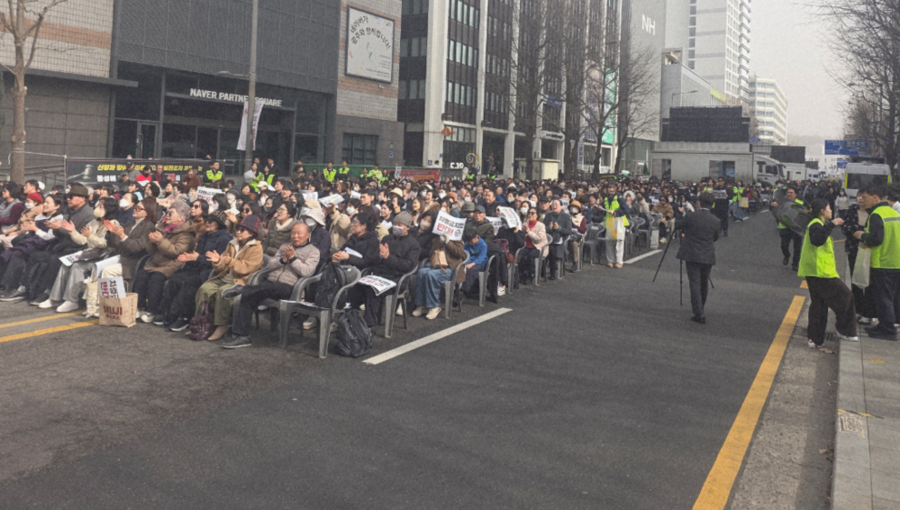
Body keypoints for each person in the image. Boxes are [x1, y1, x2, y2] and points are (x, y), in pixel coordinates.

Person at [222, 223, 320, 349]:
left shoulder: (313, 251)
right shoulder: (285, 246)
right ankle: (242, 336)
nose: (295, 236)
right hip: (270, 284)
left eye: (299, 233)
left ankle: (242, 289)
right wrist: (283, 260)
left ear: (308, 235)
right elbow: (271, 265)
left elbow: (306, 271)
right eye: (293, 233)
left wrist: (292, 258)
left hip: (290, 287)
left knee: (260, 289)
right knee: (249, 296)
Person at [193, 214, 265, 341]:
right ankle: (200, 322)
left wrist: (230, 262)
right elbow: (221, 266)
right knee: (204, 289)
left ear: (251, 233)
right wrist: (217, 262)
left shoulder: (256, 248)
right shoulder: (232, 243)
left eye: (242, 230)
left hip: (240, 281)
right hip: (224, 277)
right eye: (237, 229)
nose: (238, 232)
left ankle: (222, 326)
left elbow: (247, 268)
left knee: (223, 292)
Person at [347, 211, 420, 334]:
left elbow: (407, 266)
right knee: (355, 287)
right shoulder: (387, 239)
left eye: (400, 225)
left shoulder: (413, 245)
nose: (396, 227)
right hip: (379, 274)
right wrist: (380, 256)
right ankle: (351, 320)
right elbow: (375, 258)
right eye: (395, 224)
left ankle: (369, 326)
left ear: (408, 227)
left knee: (373, 291)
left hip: (396, 278)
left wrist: (388, 257)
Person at [799, 199, 858, 347]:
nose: (831, 210)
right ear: (822, 210)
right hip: (821, 272)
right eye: (829, 208)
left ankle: (815, 338)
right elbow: (817, 240)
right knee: (846, 296)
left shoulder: (817, 224)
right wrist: (831, 224)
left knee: (819, 303)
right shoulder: (816, 224)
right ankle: (845, 330)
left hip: (816, 271)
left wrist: (830, 225)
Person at [160, 212, 232, 331]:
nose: (207, 223)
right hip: (198, 268)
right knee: (175, 279)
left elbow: (217, 262)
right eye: (206, 220)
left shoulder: (224, 239)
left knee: (190, 283)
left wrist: (197, 258)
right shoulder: (204, 236)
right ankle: (168, 312)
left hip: (211, 272)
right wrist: (189, 258)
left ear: (219, 224)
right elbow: (196, 256)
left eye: (211, 221)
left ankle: (184, 317)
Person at [133, 201, 196, 323]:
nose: (167, 215)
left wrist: (160, 241)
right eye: (167, 212)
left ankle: (152, 310)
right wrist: (152, 242)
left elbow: (176, 251)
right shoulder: (163, 228)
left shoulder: (187, 235)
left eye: (171, 213)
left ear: (180, 218)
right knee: (141, 276)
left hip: (172, 264)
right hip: (156, 262)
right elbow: (151, 251)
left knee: (156, 280)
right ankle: (140, 306)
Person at [853, 184, 900, 340]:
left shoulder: (876, 215)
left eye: (865, 197)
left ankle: (888, 330)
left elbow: (876, 239)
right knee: (889, 297)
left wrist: (861, 235)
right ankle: (884, 325)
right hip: (895, 261)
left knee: (883, 298)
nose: (862, 200)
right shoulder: (893, 212)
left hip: (883, 262)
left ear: (875, 197)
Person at [676, 192, 720, 325]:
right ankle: (701, 308)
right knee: (704, 282)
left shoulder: (691, 216)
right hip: (707, 254)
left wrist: (680, 213)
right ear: (712, 204)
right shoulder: (715, 220)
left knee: (694, 282)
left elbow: (678, 225)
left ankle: (698, 312)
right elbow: (715, 237)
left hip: (692, 253)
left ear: (699, 202)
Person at [771, 186, 805, 271]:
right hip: (785, 226)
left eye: (791, 193)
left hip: (797, 227)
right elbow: (772, 209)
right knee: (784, 245)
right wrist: (772, 205)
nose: (789, 194)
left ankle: (795, 264)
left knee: (797, 247)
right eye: (788, 192)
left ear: (795, 194)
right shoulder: (782, 201)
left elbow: (806, 211)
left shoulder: (800, 202)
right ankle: (787, 255)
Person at [542, 198, 574, 280]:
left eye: (556, 204)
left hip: (560, 240)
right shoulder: (548, 216)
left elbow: (569, 231)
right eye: (553, 204)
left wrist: (559, 228)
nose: (554, 206)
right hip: (547, 239)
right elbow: (543, 228)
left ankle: (552, 272)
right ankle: (541, 271)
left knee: (551, 250)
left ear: (561, 206)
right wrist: (548, 228)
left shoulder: (566, 217)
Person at [600, 182, 629, 268]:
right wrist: (601, 208)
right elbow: (604, 210)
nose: (611, 189)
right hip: (610, 221)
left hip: (619, 221)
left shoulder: (620, 198)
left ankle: (619, 261)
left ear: (615, 188)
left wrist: (616, 212)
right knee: (609, 241)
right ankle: (610, 260)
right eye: (609, 187)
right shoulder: (606, 198)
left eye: (612, 187)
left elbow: (626, 210)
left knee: (619, 241)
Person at [518, 207, 548, 285]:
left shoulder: (541, 225)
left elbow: (538, 239)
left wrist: (528, 232)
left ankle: (531, 275)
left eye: (532, 213)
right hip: (526, 246)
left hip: (538, 246)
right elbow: (521, 237)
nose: (530, 215)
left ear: (537, 215)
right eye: (529, 213)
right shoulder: (524, 224)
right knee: (520, 255)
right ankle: (522, 274)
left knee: (530, 256)